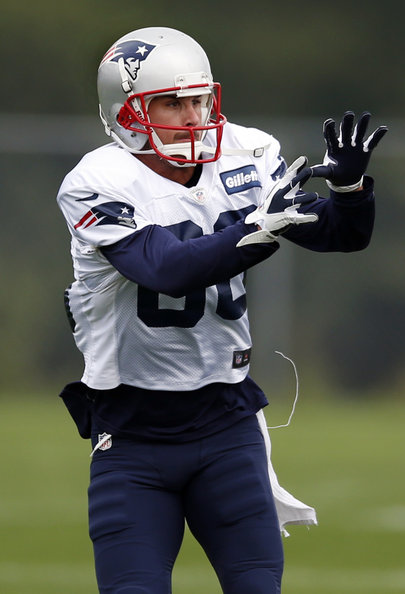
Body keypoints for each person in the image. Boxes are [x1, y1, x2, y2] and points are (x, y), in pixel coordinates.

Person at [56, 26, 386, 594]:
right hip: (132, 434)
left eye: (199, 99)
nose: (192, 115)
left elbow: (340, 236)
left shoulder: (245, 152)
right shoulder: (97, 181)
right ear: (126, 114)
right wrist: (259, 227)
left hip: (227, 422)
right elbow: (165, 268)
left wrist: (352, 191)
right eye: (172, 102)